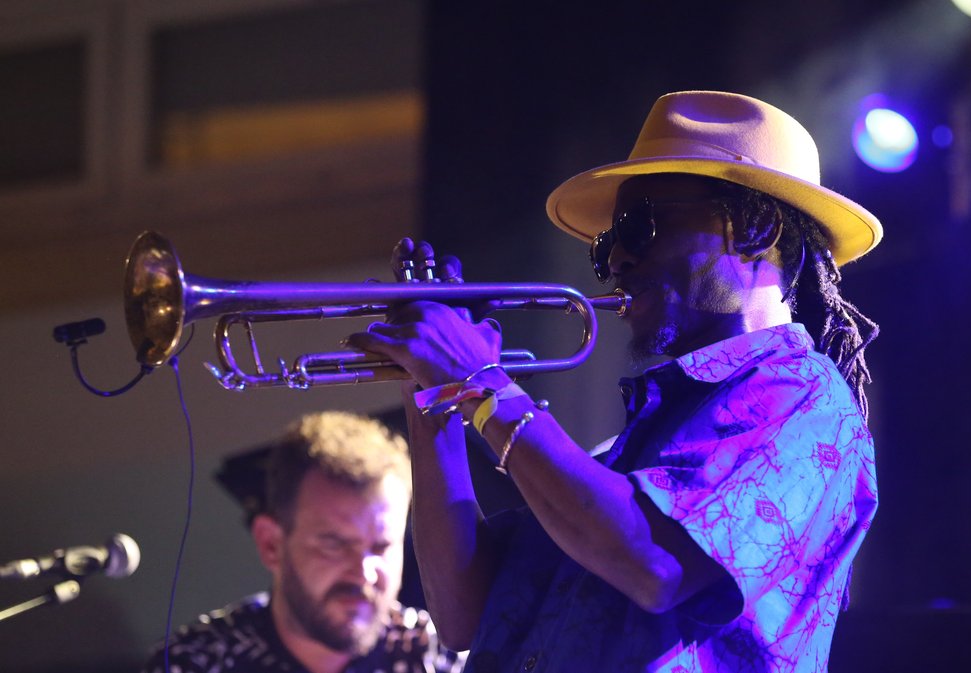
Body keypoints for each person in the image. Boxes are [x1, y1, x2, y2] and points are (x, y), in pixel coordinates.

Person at [348, 90, 882, 672]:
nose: (617, 261)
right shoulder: (622, 458)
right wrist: (435, 397)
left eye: (639, 226)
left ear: (754, 229)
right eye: (607, 246)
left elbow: (655, 565)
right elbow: (461, 612)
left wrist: (482, 383)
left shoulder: (803, 398)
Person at [141, 411, 462, 673]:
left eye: (381, 546)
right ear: (271, 544)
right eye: (334, 544)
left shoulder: (436, 657)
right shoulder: (194, 663)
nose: (365, 572)